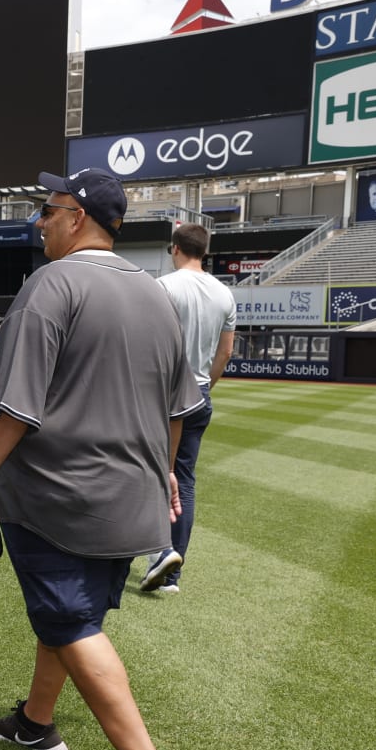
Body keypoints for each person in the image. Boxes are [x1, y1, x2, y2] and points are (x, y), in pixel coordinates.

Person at [0, 168, 203, 750]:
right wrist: (164, 477)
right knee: (72, 614)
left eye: (49, 210)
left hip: (59, 494)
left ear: (76, 217)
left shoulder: (51, 283)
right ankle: (37, 724)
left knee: (70, 621)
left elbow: (15, 409)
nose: (40, 221)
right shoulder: (158, 293)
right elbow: (179, 410)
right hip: (133, 494)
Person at [140, 223, 236, 593]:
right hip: (198, 393)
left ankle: (158, 553)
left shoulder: (163, 286)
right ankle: (171, 573)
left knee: (151, 474)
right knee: (186, 482)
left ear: (175, 248)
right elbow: (225, 352)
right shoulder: (224, 292)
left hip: (163, 394)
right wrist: (204, 387)